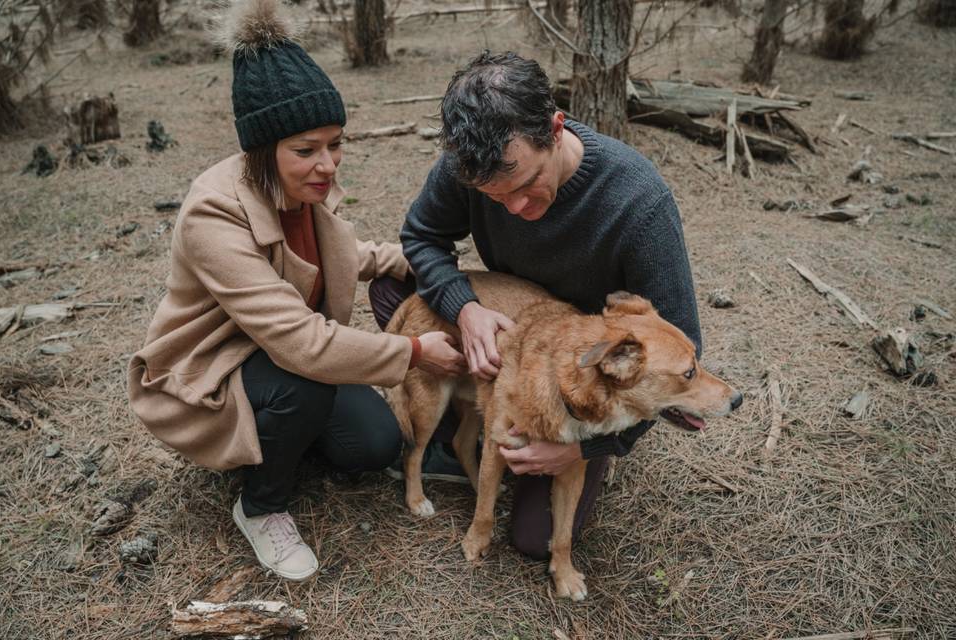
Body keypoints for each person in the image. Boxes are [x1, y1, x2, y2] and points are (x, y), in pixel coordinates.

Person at [126, 0, 464, 581]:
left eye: (336, 143)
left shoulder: (298, 187)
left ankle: (277, 433)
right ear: (262, 152)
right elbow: (300, 342)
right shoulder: (214, 210)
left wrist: (407, 260)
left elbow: (324, 259)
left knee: (374, 447)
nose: (328, 164)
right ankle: (260, 506)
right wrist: (412, 352)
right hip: (214, 364)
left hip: (284, 353)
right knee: (305, 381)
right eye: (307, 149)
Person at [371, 51, 702, 560]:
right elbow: (421, 236)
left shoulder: (638, 202)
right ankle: (451, 426)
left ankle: (578, 434)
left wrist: (584, 446)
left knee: (532, 540)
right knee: (392, 293)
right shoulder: (472, 163)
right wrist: (464, 308)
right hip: (509, 322)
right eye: (495, 198)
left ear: (555, 127)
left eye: (526, 186)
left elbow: (681, 349)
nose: (517, 210)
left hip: (579, 367)